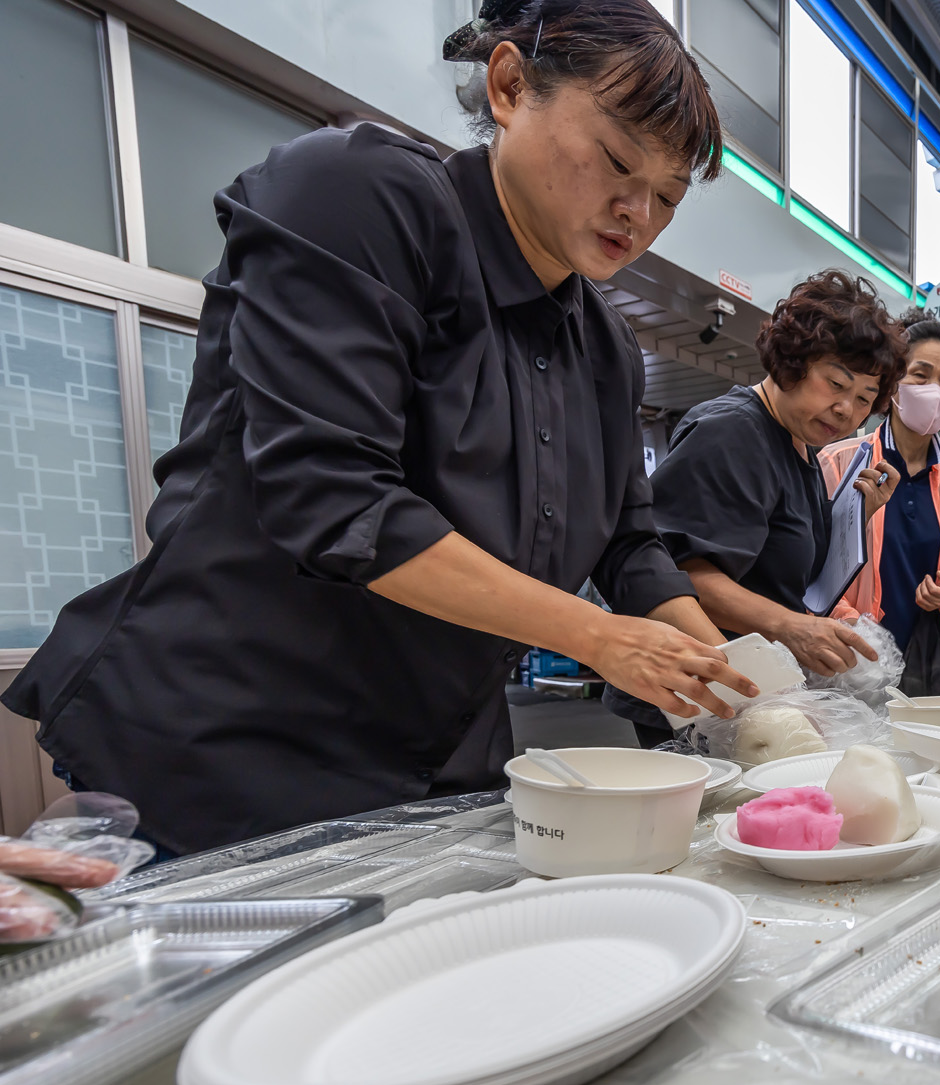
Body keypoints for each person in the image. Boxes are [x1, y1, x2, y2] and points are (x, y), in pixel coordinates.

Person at [0, 0, 758, 855]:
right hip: (229, 752)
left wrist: (753, 693)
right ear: (509, 86)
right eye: (617, 161)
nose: (637, 212)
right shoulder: (362, 194)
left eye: (666, 196)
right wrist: (600, 638)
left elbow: (630, 546)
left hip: (435, 759)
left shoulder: (606, 349)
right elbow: (335, 499)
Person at [606, 270, 904, 746]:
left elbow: (782, 567)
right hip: (696, 689)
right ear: (792, 361)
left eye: (864, 399)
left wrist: (856, 513)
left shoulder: (801, 448)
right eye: (835, 384)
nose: (847, 410)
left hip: (748, 681)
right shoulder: (732, 432)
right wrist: (791, 627)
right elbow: (677, 574)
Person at [816, 314, 940, 685]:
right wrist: (847, 622)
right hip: (851, 658)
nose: (935, 391)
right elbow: (812, 560)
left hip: (929, 659)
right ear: (893, 382)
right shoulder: (837, 464)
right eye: (921, 375)